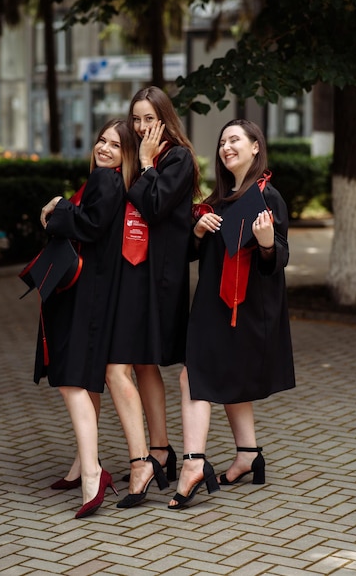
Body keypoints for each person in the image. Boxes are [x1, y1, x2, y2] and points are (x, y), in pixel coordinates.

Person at [168, 119, 295, 509]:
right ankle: (248, 454)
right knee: (224, 378)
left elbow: (278, 258)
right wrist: (198, 231)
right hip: (211, 305)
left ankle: (193, 463)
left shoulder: (266, 197)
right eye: (222, 141)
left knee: (196, 376)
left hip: (245, 307)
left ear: (256, 147)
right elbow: (191, 253)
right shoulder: (219, 201)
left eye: (235, 140)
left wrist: (267, 243)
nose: (226, 147)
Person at [34, 119, 138, 518]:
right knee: (83, 380)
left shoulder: (106, 181)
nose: (105, 148)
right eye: (101, 140)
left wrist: (57, 210)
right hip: (95, 292)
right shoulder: (112, 183)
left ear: (126, 154)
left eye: (115, 144)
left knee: (72, 380)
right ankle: (83, 465)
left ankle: (94, 473)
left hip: (85, 295)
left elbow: (90, 227)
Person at [105, 86, 201, 508]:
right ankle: (160, 451)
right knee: (141, 360)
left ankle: (151, 456)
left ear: (164, 118)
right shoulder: (133, 151)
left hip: (159, 277)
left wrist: (145, 165)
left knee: (134, 360)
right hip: (132, 272)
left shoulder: (177, 158)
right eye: (136, 118)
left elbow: (155, 205)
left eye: (149, 118)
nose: (142, 126)